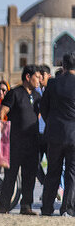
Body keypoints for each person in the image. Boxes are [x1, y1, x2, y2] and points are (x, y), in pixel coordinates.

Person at [0, 66, 43, 214]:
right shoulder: (15, 93)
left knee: (29, 175)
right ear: (28, 77)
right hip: (15, 143)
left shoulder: (37, 96)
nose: (39, 80)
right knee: (11, 176)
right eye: (37, 76)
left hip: (32, 143)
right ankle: (4, 205)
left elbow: (37, 116)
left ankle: (26, 206)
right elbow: (3, 111)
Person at [39, 54, 75, 216]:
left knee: (53, 171)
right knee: (71, 173)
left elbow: (43, 108)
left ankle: (47, 208)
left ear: (63, 66)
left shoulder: (53, 83)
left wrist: (52, 123)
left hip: (54, 135)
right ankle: (67, 208)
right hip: (73, 136)